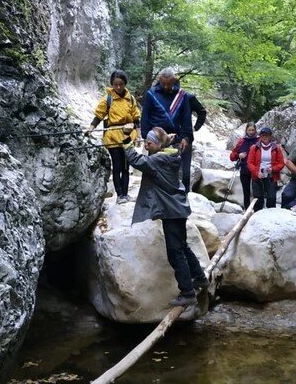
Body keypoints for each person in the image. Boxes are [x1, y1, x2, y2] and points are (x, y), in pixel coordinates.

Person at [123, 126, 208, 307]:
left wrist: (126, 141)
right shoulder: (170, 155)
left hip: (172, 211)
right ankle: (200, 278)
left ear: (159, 144)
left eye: (150, 142)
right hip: (177, 209)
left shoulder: (159, 159)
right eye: (145, 141)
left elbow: (136, 161)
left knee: (175, 253)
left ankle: (187, 293)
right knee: (182, 247)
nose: (146, 144)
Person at [140, 68, 207, 193]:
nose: (165, 87)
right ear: (159, 80)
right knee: (155, 171)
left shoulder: (183, 96)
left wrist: (188, 135)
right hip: (157, 139)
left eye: (169, 84)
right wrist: (147, 137)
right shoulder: (151, 94)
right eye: (163, 83)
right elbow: (145, 117)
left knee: (184, 174)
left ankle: (182, 201)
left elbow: (188, 117)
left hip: (180, 138)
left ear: (174, 81)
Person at [87, 70, 141, 204]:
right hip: (112, 136)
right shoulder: (108, 99)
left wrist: (139, 134)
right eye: (115, 84)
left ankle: (125, 194)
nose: (118, 87)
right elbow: (99, 116)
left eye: (121, 84)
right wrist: (91, 128)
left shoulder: (131, 99)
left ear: (125, 84)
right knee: (117, 166)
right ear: (112, 84)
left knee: (126, 166)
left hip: (128, 134)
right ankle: (120, 195)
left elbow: (136, 118)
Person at [246, 127, 285, 211]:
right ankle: (257, 216)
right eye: (263, 135)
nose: (264, 137)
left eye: (266, 135)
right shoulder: (254, 148)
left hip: (271, 176)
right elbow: (249, 163)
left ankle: (271, 217)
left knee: (271, 198)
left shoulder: (276, 148)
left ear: (270, 136)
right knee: (258, 199)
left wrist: (273, 169)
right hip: (258, 176)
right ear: (260, 136)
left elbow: (281, 163)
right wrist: (257, 173)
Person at [229, 123, 259, 210]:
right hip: (245, 169)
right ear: (246, 130)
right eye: (249, 130)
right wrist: (239, 155)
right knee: (246, 192)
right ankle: (247, 209)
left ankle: (257, 209)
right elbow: (232, 156)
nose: (251, 132)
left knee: (257, 191)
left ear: (255, 130)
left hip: (256, 171)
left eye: (253, 130)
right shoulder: (241, 141)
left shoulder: (259, 141)